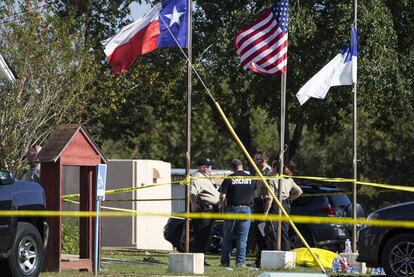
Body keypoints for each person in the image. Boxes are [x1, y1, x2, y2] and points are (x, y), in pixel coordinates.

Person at [219, 159, 256, 267]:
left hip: (232, 209)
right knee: (242, 238)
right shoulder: (251, 178)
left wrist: (222, 208)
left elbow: (222, 196)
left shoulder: (230, 178)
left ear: (232, 168)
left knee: (227, 237)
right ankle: (240, 262)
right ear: (241, 166)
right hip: (246, 209)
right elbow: (254, 192)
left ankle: (225, 262)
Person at [189, 157, 220, 265]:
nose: (211, 168)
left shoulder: (206, 177)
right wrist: (193, 204)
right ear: (203, 167)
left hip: (210, 211)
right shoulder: (197, 177)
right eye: (209, 166)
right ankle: (197, 260)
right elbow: (193, 193)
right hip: (204, 210)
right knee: (201, 236)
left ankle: (200, 259)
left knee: (205, 236)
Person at [251, 151, 277, 268]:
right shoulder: (258, 172)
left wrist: (266, 212)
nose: (255, 161)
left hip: (264, 206)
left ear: (263, 160)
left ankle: (265, 261)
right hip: (257, 205)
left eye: (257, 159)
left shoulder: (268, 172)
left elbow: (269, 194)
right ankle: (259, 260)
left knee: (266, 235)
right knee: (259, 234)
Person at [270, 163, 303, 251]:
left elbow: (270, 196)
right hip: (286, 204)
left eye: (272, 167)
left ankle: (274, 249)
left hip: (276, 203)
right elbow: (299, 191)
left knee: (274, 229)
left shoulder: (273, 179)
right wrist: (290, 199)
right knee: (284, 230)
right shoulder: (289, 179)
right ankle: (285, 250)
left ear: (275, 168)